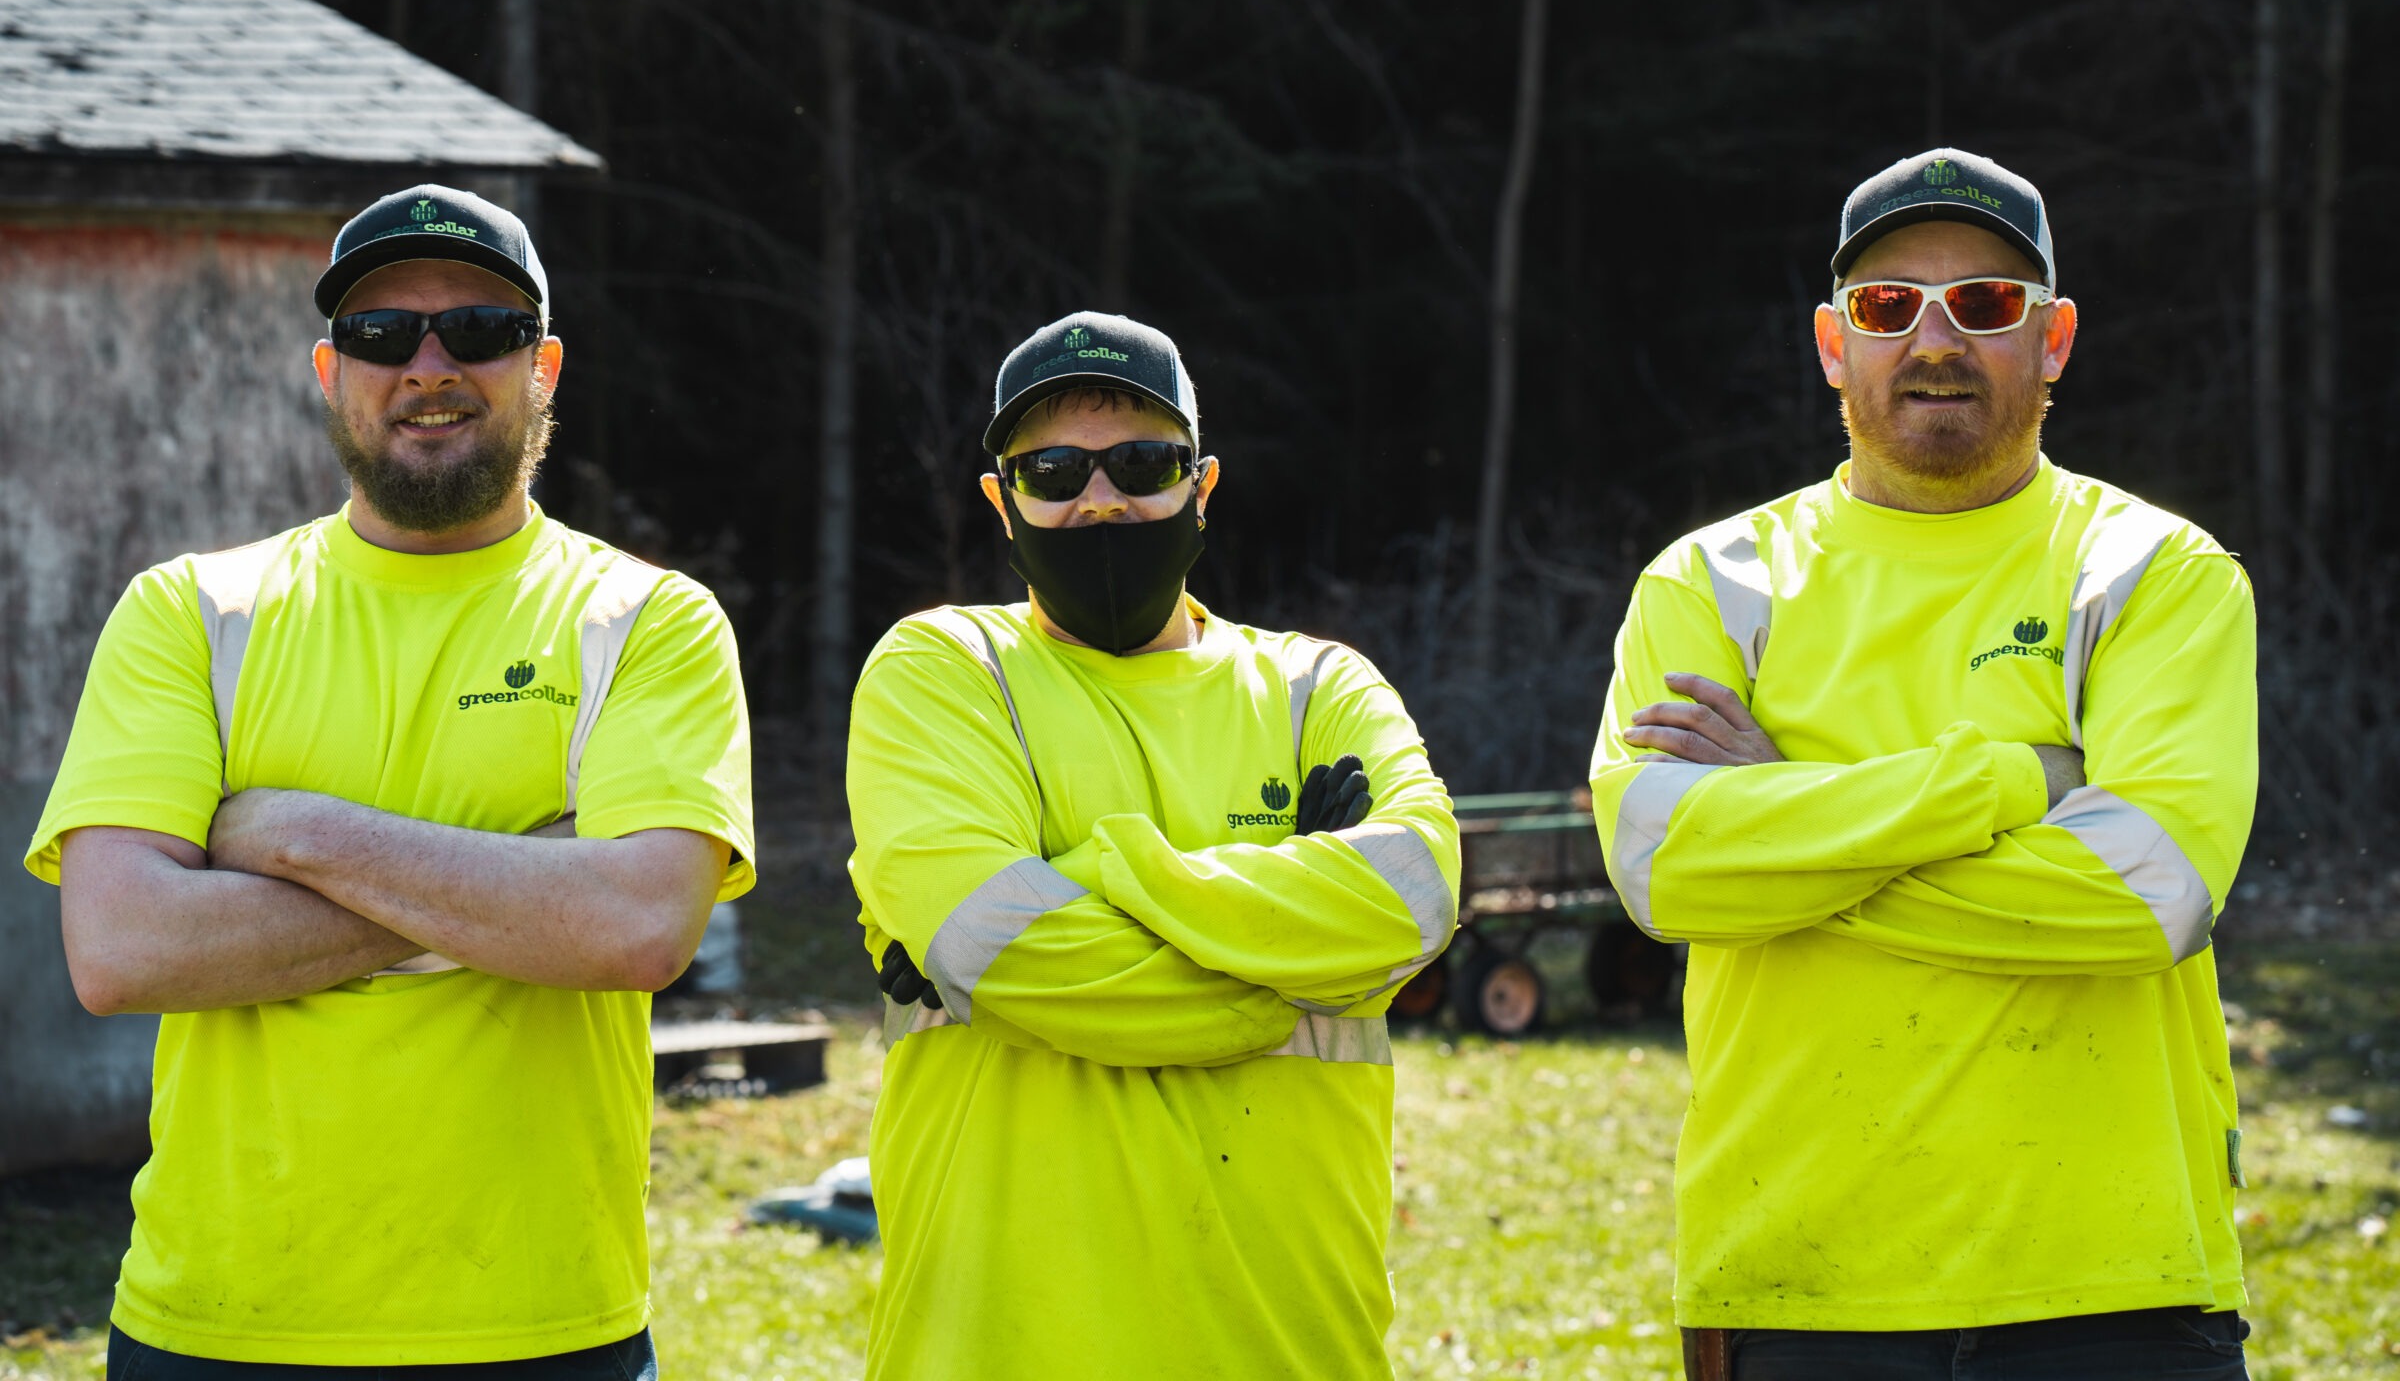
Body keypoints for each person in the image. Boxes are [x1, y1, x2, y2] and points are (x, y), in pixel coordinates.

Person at [30, 184, 755, 1377]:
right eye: (381, 336)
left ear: (545, 366)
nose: (429, 364)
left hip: (543, 1324)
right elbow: (122, 950)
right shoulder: (192, 612)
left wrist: (287, 831)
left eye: (477, 330)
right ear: (330, 369)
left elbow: (632, 927)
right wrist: (520, 883)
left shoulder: (646, 620)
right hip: (217, 1325)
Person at [1590, 150, 2256, 1380]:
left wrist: (1786, 807)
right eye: (1890, 307)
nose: (1935, 339)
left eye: (1987, 305)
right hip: (1796, 1280)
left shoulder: (2155, 571)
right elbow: (1668, 873)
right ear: (1834, 344)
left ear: (2051, 339)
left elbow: (2138, 893)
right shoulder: (1708, 584)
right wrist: (2018, 785)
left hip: (2115, 1279)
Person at [846, 312, 1459, 1380]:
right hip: (995, 1348)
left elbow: (1413, 898)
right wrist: (1290, 979)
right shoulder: (941, 670)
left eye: (1141, 463)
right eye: (1053, 470)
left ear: (1201, 486)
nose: (1100, 498)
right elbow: (1003, 950)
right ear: (1002, 500)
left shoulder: (1322, 686)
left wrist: (1084, 869)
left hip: (1286, 1344)